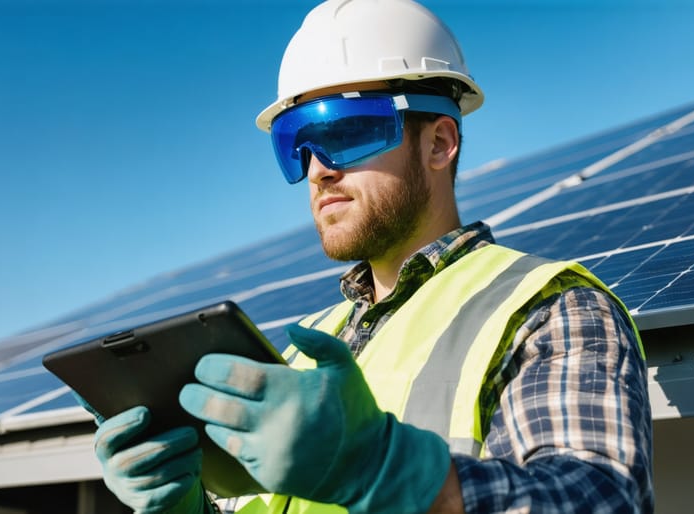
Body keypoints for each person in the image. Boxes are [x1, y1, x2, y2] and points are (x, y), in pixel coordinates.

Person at [88, 1, 653, 513]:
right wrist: (187, 505)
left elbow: (596, 500)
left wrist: (383, 471)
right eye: (298, 143)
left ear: (439, 143)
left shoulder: (549, 311)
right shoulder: (298, 352)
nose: (318, 170)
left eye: (346, 131)